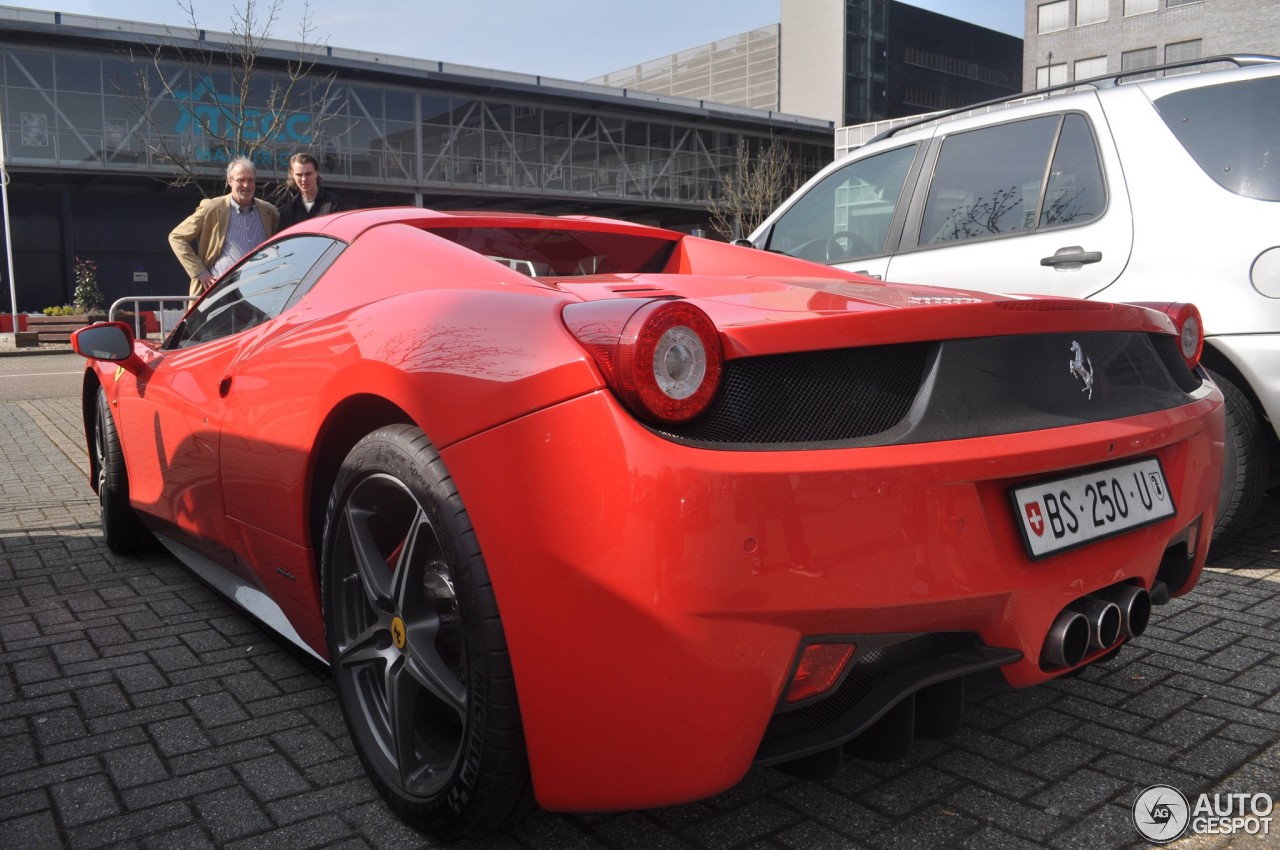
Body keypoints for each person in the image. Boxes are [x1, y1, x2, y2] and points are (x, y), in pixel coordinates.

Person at [169, 157, 279, 297]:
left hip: (261, 291)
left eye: (250, 180)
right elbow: (177, 237)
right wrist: (201, 272)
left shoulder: (269, 211)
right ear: (229, 181)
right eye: (241, 180)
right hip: (222, 292)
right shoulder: (212, 208)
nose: (246, 185)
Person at [277, 152, 345, 230]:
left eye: (308, 174)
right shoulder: (287, 211)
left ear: (317, 173)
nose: (304, 179)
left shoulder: (334, 204)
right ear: (292, 175)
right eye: (299, 174)